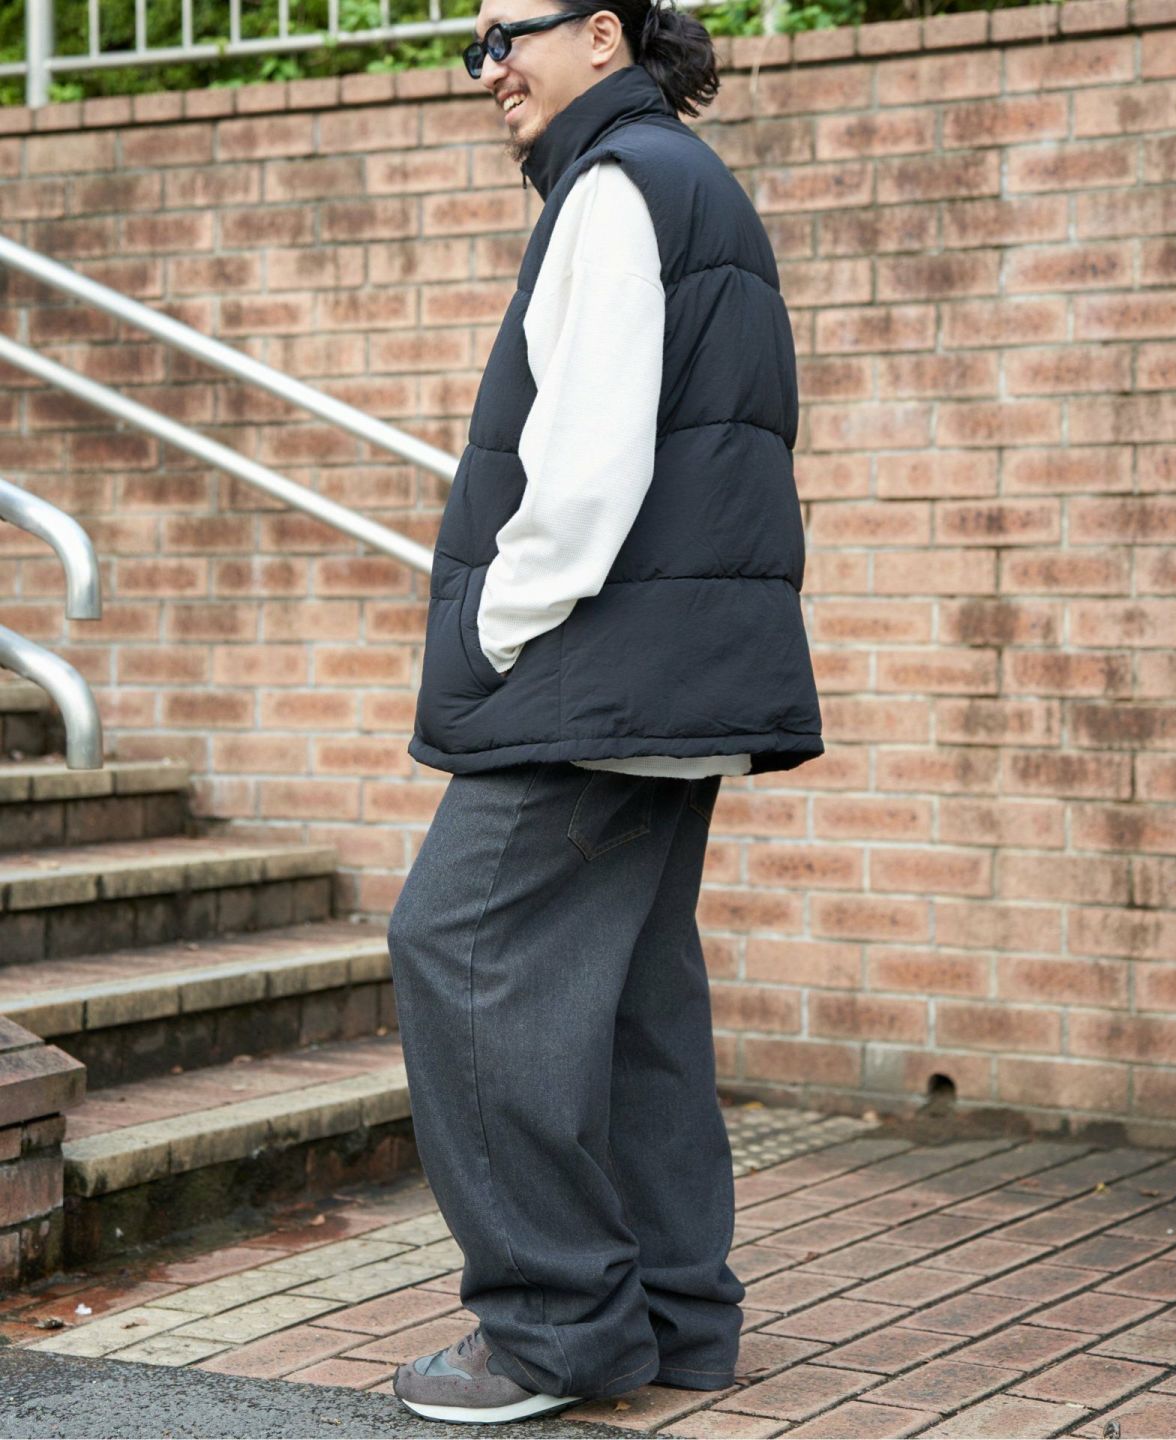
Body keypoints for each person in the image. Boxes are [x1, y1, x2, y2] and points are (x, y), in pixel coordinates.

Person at [386, 0, 823, 1423]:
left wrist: (498, 627)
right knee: (634, 998)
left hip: (596, 673)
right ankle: (678, 1316)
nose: (489, 68)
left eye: (506, 33)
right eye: (475, 45)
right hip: (666, 676)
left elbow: (585, 462)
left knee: (454, 948)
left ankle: (553, 1328)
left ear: (600, 33)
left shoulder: (618, 184)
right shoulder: (682, 179)